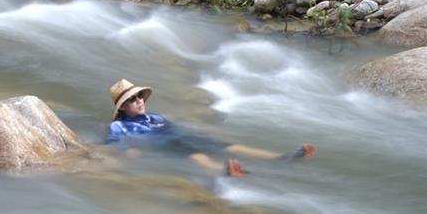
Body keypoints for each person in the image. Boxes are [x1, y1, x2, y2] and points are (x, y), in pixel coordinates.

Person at [106, 78, 316, 177]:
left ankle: (280, 158)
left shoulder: (154, 116)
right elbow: (112, 143)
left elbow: (175, 127)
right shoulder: (119, 126)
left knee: (228, 145)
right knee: (196, 155)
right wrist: (127, 152)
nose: (139, 101)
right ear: (123, 106)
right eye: (132, 100)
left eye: (139, 96)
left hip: (177, 136)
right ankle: (225, 171)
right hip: (164, 144)